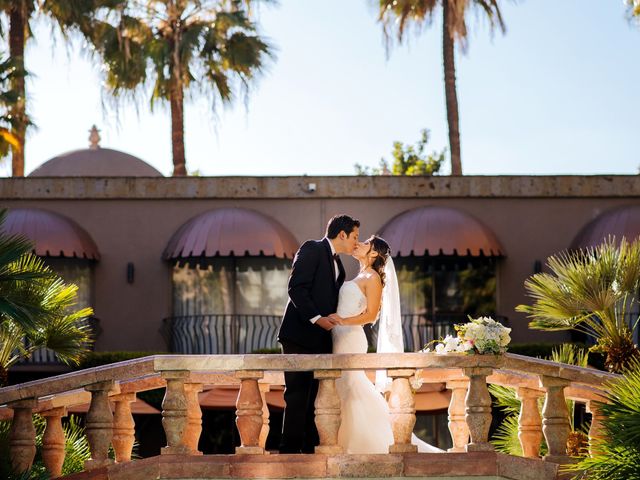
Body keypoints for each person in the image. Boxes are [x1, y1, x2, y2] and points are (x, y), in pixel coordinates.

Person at [329, 235, 442, 454]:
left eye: (365, 244)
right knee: (342, 387)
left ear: (373, 254)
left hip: (350, 337)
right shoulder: (361, 274)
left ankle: (359, 443)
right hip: (338, 334)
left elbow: (371, 316)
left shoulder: (372, 277)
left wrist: (342, 320)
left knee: (351, 385)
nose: (358, 244)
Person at [277, 214, 360, 454]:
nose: (357, 241)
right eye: (355, 236)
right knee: (296, 395)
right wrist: (317, 319)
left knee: (317, 397)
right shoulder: (312, 248)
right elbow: (296, 288)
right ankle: (289, 453)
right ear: (342, 234)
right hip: (298, 336)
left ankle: (310, 451)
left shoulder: (339, 265)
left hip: (322, 339)